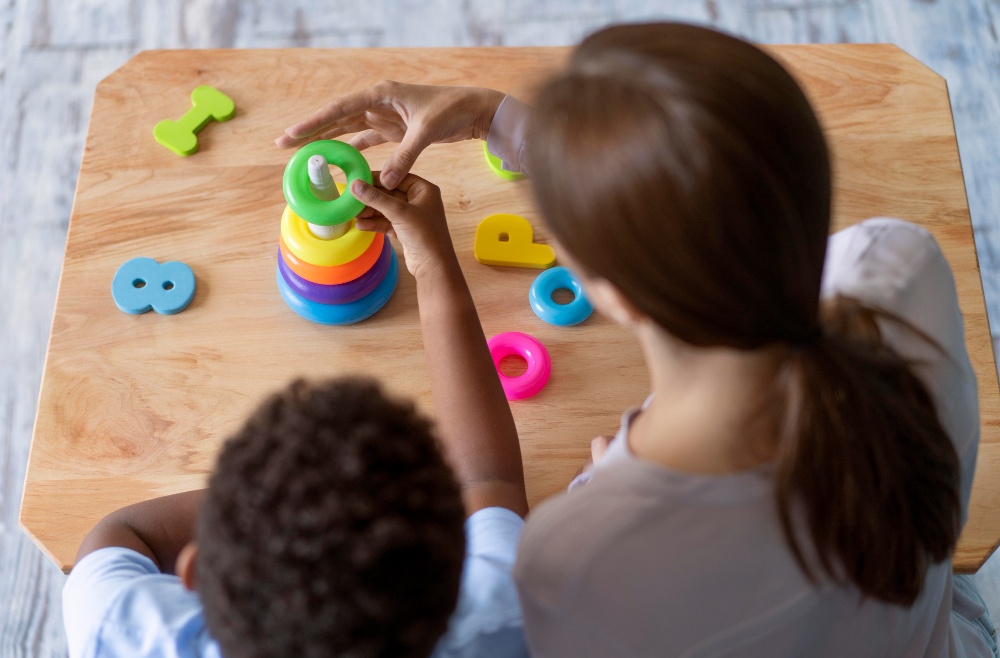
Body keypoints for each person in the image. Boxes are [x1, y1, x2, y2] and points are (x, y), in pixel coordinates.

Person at [276, 21, 998, 658]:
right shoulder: (899, 270)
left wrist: (613, 486)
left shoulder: (581, 563)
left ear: (607, 292)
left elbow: (490, 493)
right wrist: (501, 119)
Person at [63, 172, 530, 656]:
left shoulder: (121, 633)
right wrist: (432, 265)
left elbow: (118, 533)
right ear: (453, 580)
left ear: (194, 572)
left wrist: (263, 497)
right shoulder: (501, 618)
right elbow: (486, 479)